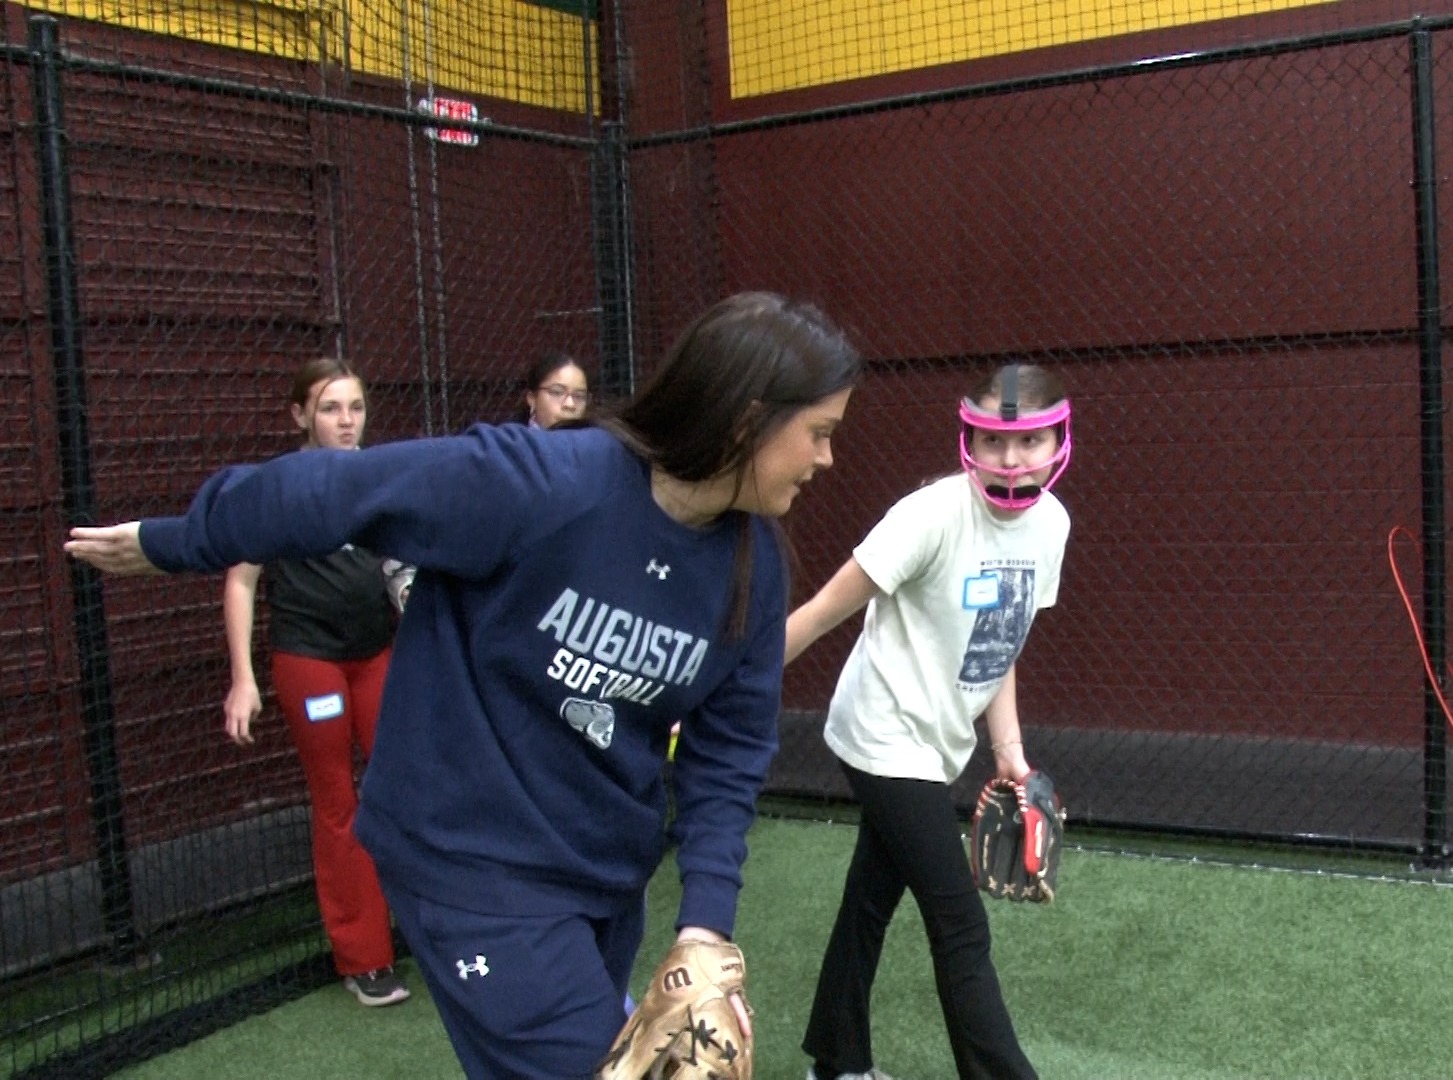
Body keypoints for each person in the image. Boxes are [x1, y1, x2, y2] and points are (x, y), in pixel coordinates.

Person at [66, 292, 863, 1079]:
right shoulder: (543, 483)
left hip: (603, 869)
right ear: (745, 418)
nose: (828, 459)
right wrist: (181, 540)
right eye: (819, 433)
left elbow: (727, 758)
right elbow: (340, 490)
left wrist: (704, 934)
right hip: (469, 863)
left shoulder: (752, 573)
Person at [783, 364, 1074, 1080]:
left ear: (1056, 439)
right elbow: (822, 613)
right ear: (968, 439)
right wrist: (723, 677)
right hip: (882, 735)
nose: (1011, 461)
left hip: (941, 741)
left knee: (869, 902)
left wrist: (1009, 749)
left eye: (1028, 441)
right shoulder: (932, 515)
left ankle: (835, 1060)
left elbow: (1003, 640)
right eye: (994, 441)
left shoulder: (1051, 527)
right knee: (960, 924)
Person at [221, 358, 410, 1008]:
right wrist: (243, 680)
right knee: (338, 804)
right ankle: (366, 957)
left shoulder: (376, 479)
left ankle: (427, 926)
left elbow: (401, 566)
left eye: (355, 407)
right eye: (332, 408)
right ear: (301, 415)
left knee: (404, 786)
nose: (347, 420)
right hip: (311, 663)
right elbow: (242, 578)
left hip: (375, 654)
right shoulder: (276, 487)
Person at [526, 352, 593, 428]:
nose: (570, 405)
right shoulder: (514, 438)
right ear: (532, 399)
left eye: (579, 396)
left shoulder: (597, 438)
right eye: (557, 392)